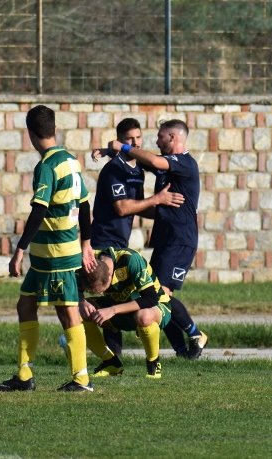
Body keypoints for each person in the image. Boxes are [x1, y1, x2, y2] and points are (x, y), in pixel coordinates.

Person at [0, 104, 95, 393]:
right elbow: (85, 204)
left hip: (57, 253)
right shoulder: (71, 161)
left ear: (30, 134)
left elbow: (39, 210)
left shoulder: (47, 166)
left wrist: (19, 249)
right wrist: (86, 243)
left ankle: (81, 378)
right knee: (25, 304)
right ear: (54, 129)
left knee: (67, 312)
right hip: (46, 255)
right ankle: (24, 375)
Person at [103, 119, 208, 359]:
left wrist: (123, 146)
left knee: (160, 294)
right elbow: (144, 161)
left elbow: (150, 159)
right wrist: (109, 151)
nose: (155, 141)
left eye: (160, 136)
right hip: (164, 239)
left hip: (180, 240)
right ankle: (182, 351)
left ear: (172, 137)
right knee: (155, 294)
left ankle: (195, 335)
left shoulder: (184, 163)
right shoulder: (167, 167)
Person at [87, 117, 184, 358]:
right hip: (103, 242)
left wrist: (171, 215)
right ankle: (113, 358)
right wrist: (158, 200)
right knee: (110, 297)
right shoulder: (112, 171)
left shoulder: (138, 169)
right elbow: (122, 208)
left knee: (122, 297)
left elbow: (140, 205)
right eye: (130, 139)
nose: (136, 142)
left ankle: (116, 357)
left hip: (121, 242)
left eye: (138, 137)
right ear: (121, 141)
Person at [78, 246, 172, 379]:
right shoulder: (88, 260)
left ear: (111, 274)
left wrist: (112, 310)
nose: (100, 293)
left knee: (144, 316)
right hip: (119, 305)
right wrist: (81, 301)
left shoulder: (130, 259)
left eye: (102, 289)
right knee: (77, 313)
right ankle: (111, 362)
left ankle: (153, 363)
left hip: (155, 306)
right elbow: (69, 282)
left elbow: (150, 299)